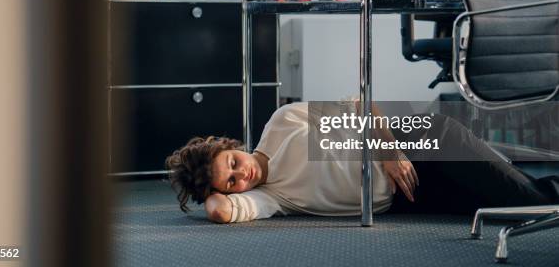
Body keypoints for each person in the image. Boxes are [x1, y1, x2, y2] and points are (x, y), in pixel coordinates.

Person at [165, 102, 559, 223]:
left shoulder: (283, 122)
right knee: (507, 205)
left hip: (412, 140)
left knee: (530, 200)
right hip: (411, 194)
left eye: (232, 162)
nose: (242, 174)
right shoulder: (272, 199)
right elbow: (220, 212)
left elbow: (363, 105)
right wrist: (210, 194)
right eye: (231, 181)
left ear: (233, 145)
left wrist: (388, 150)